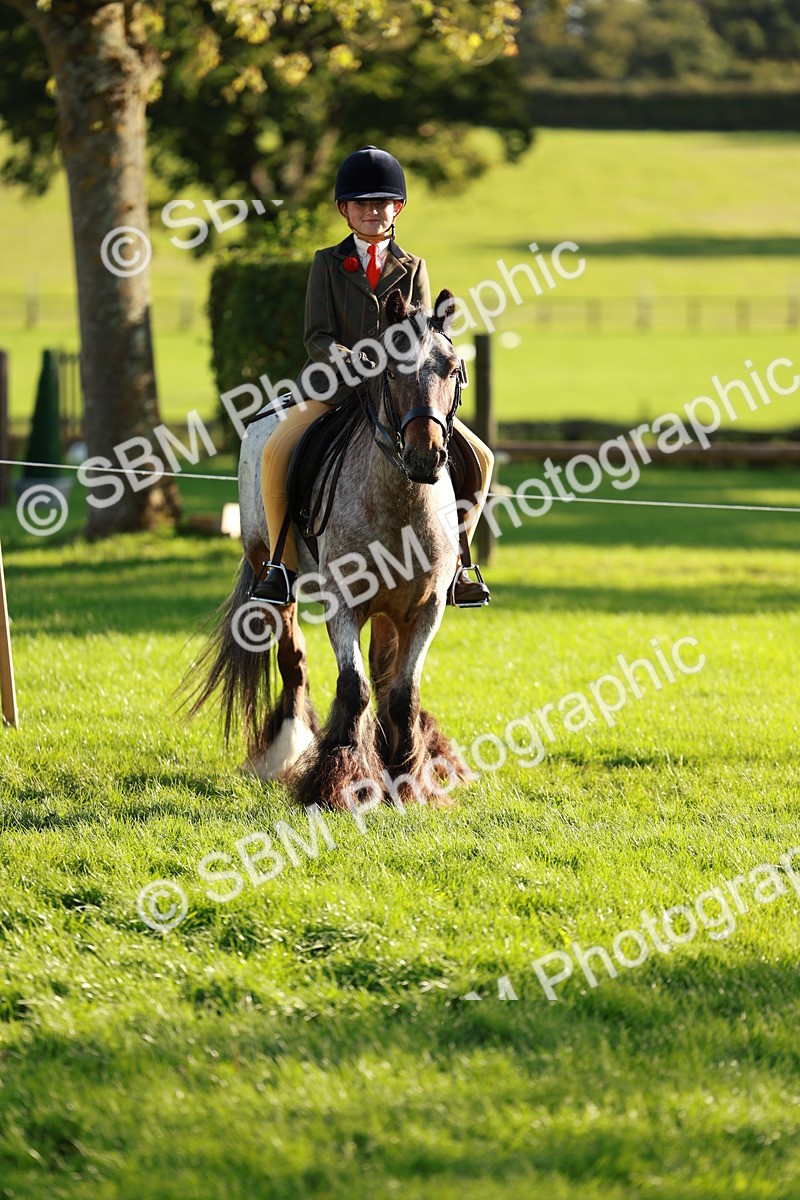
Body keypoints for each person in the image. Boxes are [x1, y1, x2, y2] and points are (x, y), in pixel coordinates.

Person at [251, 145, 493, 608]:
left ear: (396, 208)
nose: (372, 211)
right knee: (277, 451)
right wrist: (346, 358)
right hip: (335, 389)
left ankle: (460, 564)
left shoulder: (414, 266)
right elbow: (315, 335)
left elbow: (421, 334)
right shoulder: (325, 262)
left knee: (480, 458)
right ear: (345, 210)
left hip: (400, 395)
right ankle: (281, 566)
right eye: (361, 204)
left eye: (381, 203)